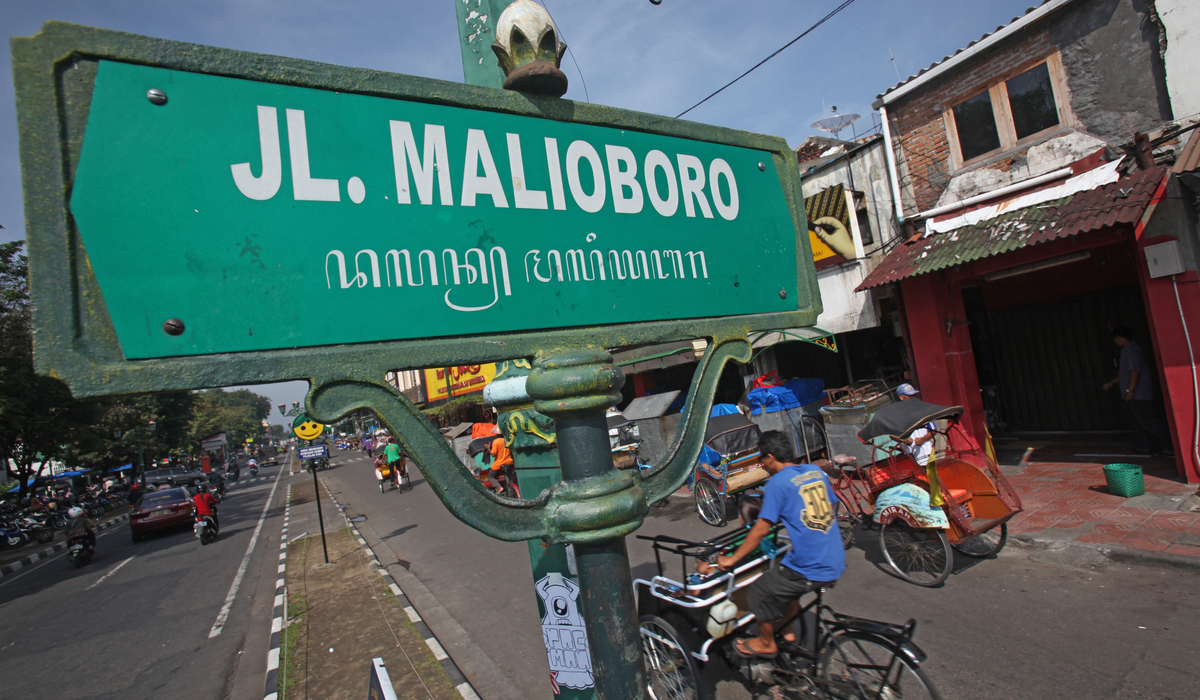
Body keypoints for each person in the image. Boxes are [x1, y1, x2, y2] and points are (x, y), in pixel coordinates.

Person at [715, 430, 846, 659]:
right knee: (787, 589)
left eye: (761, 459)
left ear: (770, 457)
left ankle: (766, 643)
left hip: (810, 565)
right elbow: (829, 507)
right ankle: (788, 634)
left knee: (759, 592)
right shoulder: (814, 471)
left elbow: (761, 528)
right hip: (835, 558)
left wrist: (732, 558)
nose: (762, 465)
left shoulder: (778, 482)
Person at [1103, 326, 1174, 456]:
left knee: (1147, 421)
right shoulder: (1128, 351)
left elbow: (1135, 371)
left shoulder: (1132, 351)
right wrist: (1113, 382)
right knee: (1138, 422)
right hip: (1134, 394)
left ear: (1118, 338)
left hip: (1138, 395)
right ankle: (1143, 447)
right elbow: (1127, 374)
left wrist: (1130, 391)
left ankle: (1171, 445)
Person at [896, 383, 936, 466]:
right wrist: (903, 439)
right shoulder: (897, 415)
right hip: (909, 456)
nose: (913, 398)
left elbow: (934, 430)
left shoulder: (924, 411)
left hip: (927, 454)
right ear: (901, 398)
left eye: (913, 395)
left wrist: (923, 439)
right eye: (909, 396)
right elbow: (892, 435)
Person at [488, 426, 515, 494]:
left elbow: (493, 454)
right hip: (508, 462)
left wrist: (488, 448)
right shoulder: (508, 440)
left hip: (498, 463)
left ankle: (499, 487)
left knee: (490, 477)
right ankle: (513, 489)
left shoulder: (496, 441)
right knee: (510, 478)